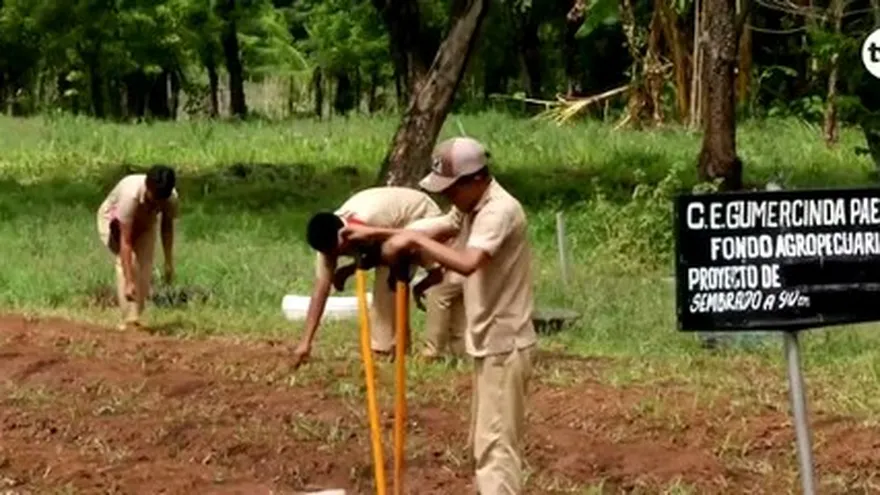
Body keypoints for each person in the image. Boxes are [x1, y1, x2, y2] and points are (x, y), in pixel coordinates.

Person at [342, 137, 538, 494]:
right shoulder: (471, 207)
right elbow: (438, 226)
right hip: (489, 343)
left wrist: (413, 245)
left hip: (504, 345)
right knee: (483, 444)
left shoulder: (498, 211)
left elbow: (467, 262)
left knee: (495, 450)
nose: (448, 198)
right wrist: (379, 233)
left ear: (475, 179)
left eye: (451, 190)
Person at [292, 186, 465, 368]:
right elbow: (320, 290)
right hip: (385, 229)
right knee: (384, 280)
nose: (338, 256)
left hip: (417, 214)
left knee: (400, 276)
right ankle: (384, 347)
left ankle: (429, 349)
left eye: (340, 252)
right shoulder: (326, 242)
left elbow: (398, 265)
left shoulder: (369, 222)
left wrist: (348, 270)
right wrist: (305, 342)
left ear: (345, 239)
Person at [96, 165, 179, 331]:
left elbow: (167, 227)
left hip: (145, 223)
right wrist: (128, 281)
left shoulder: (170, 197)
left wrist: (168, 262)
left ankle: (136, 318)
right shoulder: (130, 195)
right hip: (114, 221)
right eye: (154, 198)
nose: (158, 203)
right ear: (147, 187)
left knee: (145, 269)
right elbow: (125, 241)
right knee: (129, 263)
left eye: (162, 200)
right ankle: (128, 319)